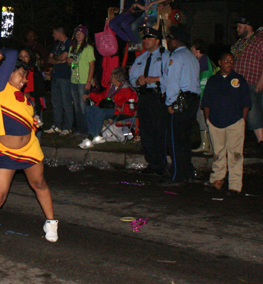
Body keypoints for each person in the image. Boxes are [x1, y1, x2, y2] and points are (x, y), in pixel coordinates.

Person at [0, 47, 57, 259]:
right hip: (5, 151)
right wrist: (3, 57)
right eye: (21, 74)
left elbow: (25, 121)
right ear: (8, 72)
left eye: (26, 76)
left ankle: (51, 222)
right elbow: (10, 54)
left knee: (40, 184)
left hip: (29, 149)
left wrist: (33, 122)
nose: (25, 80)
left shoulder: (23, 98)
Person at [201, 53, 250, 195]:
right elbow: (206, 102)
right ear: (220, 62)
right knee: (218, 153)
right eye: (226, 61)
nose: (229, 64)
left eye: (231, 61)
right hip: (216, 122)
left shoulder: (239, 80)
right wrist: (208, 120)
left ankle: (235, 185)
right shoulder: (213, 80)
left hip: (235, 121)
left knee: (235, 154)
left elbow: (246, 103)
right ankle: (217, 179)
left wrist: (243, 120)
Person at [161, 27, 200, 186]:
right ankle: (187, 172)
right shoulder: (191, 56)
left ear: (175, 40)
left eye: (169, 40)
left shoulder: (176, 57)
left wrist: (170, 102)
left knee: (175, 140)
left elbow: (173, 81)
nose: (168, 43)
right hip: (192, 100)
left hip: (180, 101)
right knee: (184, 139)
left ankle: (177, 175)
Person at [231, 16, 263, 151]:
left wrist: (262, 79)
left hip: (251, 82)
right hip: (235, 84)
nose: (237, 29)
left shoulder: (260, 42)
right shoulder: (238, 44)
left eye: (240, 26)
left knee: (254, 110)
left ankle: (261, 142)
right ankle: (237, 141)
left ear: (248, 27)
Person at [129, 26, 167, 175]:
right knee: (146, 130)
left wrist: (154, 79)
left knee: (159, 130)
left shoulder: (166, 57)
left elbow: (172, 77)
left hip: (158, 96)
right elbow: (132, 78)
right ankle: (151, 162)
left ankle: (161, 164)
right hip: (144, 96)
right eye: (145, 38)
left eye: (150, 38)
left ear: (158, 41)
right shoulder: (141, 58)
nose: (146, 41)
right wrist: (138, 82)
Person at [78, 67, 136, 148]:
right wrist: (90, 95)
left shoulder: (127, 89)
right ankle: (97, 135)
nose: (110, 77)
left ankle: (91, 137)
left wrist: (121, 108)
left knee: (101, 112)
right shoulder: (111, 86)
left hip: (118, 111)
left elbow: (131, 105)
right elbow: (103, 95)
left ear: (117, 78)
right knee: (88, 109)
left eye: (112, 76)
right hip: (108, 107)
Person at [68, 25, 96, 138]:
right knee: (76, 106)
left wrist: (89, 81)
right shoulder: (72, 48)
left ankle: (87, 129)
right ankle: (80, 129)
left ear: (85, 35)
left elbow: (92, 65)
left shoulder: (88, 48)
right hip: (74, 80)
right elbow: (69, 64)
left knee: (83, 105)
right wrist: (69, 61)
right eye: (76, 33)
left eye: (81, 33)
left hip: (84, 80)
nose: (78, 34)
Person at [44, 27, 73, 134]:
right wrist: (58, 60)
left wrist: (57, 58)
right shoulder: (57, 45)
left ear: (59, 33)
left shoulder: (69, 42)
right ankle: (57, 125)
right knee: (55, 102)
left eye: (54, 33)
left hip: (65, 77)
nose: (53, 35)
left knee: (66, 103)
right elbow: (50, 59)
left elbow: (63, 57)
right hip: (55, 76)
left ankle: (68, 127)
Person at [191, 39, 217, 155]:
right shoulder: (204, 60)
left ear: (197, 50)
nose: (191, 49)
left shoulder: (203, 62)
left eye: (193, 47)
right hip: (207, 95)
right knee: (203, 119)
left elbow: (200, 79)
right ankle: (208, 145)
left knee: (203, 119)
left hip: (204, 95)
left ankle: (206, 145)